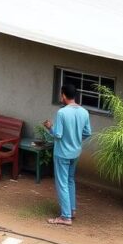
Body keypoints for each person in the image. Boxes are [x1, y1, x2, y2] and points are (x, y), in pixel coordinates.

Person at [42, 84, 91, 226]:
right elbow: (87, 132)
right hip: (76, 152)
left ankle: (65, 216)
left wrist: (50, 127)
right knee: (70, 180)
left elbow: (58, 134)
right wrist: (76, 139)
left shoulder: (62, 113)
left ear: (63, 95)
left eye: (60, 94)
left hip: (62, 153)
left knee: (62, 183)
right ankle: (72, 210)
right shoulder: (84, 112)